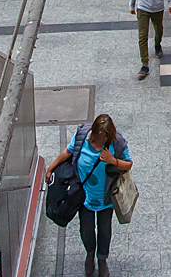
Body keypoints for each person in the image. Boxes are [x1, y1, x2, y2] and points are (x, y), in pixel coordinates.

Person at [43, 115, 133, 277]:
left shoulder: (117, 143)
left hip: (106, 198)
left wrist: (113, 161)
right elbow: (68, 152)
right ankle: (90, 254)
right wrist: (51, 168)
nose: (98, 141)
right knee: (86, 229)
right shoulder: (82, 137)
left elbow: (128, 164)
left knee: (105, 231)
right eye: (97, 138)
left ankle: (102, 259)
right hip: (84, 197)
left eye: (102, 138)